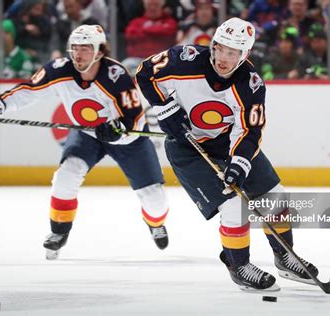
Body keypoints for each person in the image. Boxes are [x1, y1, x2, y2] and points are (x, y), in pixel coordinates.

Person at [136, 17, 318, 291]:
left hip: (226, 143)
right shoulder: (184, 60)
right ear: (213, 44)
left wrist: (239, 163)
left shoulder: (251, 84)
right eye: (220, 48)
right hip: (188, 149)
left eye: (232, 53)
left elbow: (250, 130)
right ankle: (239, 265)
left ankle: (285, 257)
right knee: (233, 204)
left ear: (244, 55)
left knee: (275, 196)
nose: (223, 58)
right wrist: (164, 107)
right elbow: (144, 73)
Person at [0, 25, 170, 260]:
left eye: (85, 49)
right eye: (74, 48)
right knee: (66, 175)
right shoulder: (59, 69)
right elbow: (29, 90)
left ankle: (155, 223)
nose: (78, 55)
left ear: (100, 52)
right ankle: (58, 231)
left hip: (128, 139)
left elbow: (136, 116)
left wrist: (119, 131)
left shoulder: (116, 76)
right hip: (86, 134)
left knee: (155, 200)